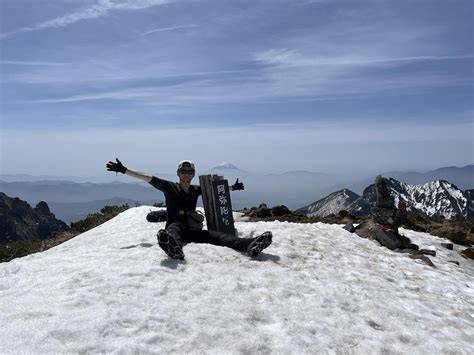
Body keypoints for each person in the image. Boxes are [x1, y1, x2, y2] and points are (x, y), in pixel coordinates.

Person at [106, 158, 272, 259]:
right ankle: (174, 248)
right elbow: (147, 178)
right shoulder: (169, 187)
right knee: (173, 231)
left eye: (189, 171)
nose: (186, 174)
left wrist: (233, 187)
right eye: (183, 171)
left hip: (193, 228)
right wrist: (124, 170)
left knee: (219, 237)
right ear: (178, 173)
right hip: (175, 225)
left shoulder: (195, 189)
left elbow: (214, 189)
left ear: (193, 174)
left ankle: (250, 245)